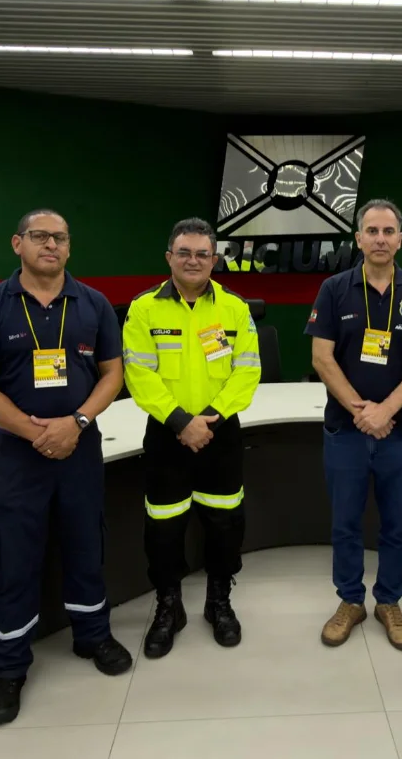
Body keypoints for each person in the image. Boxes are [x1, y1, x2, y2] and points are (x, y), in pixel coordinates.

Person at [0, 209, 132, 727]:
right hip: (16, 456)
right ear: (18, 243)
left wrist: (74, 423)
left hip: (79, 448)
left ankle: (92, 637)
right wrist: (39, 433)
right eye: (39, 236)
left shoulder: (93, 303)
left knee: (85, 542)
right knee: (13, 555)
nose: (50, 244)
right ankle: (8, 669)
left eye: (60, 238)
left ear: (68, 248)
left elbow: (112, 374)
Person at [305, 199, 402, 651]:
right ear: (358, 238)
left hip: (399, 431)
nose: (380, 239)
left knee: (395, 523)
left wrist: (386, 411)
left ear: (400, 239)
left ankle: (389, 601)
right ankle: (349, 601)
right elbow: (321, 357)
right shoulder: (334, 289)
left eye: (388, 231)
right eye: (371, 231)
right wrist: (362, 411)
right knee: (345, 522)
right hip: (345, 430)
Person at [122, 217, 261, 659]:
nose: (194, 260)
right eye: (184, 252)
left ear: (215, 259)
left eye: (203, 254)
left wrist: (211, 419)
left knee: (225, 524)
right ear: (169, 258)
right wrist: (182, 422)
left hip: (220, 434)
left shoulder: (234, 308)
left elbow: (248, 369)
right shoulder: (144, 309)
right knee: (163, 526)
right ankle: (169, 605)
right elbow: (139, 374)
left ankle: (218, 601)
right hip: (167, 436)